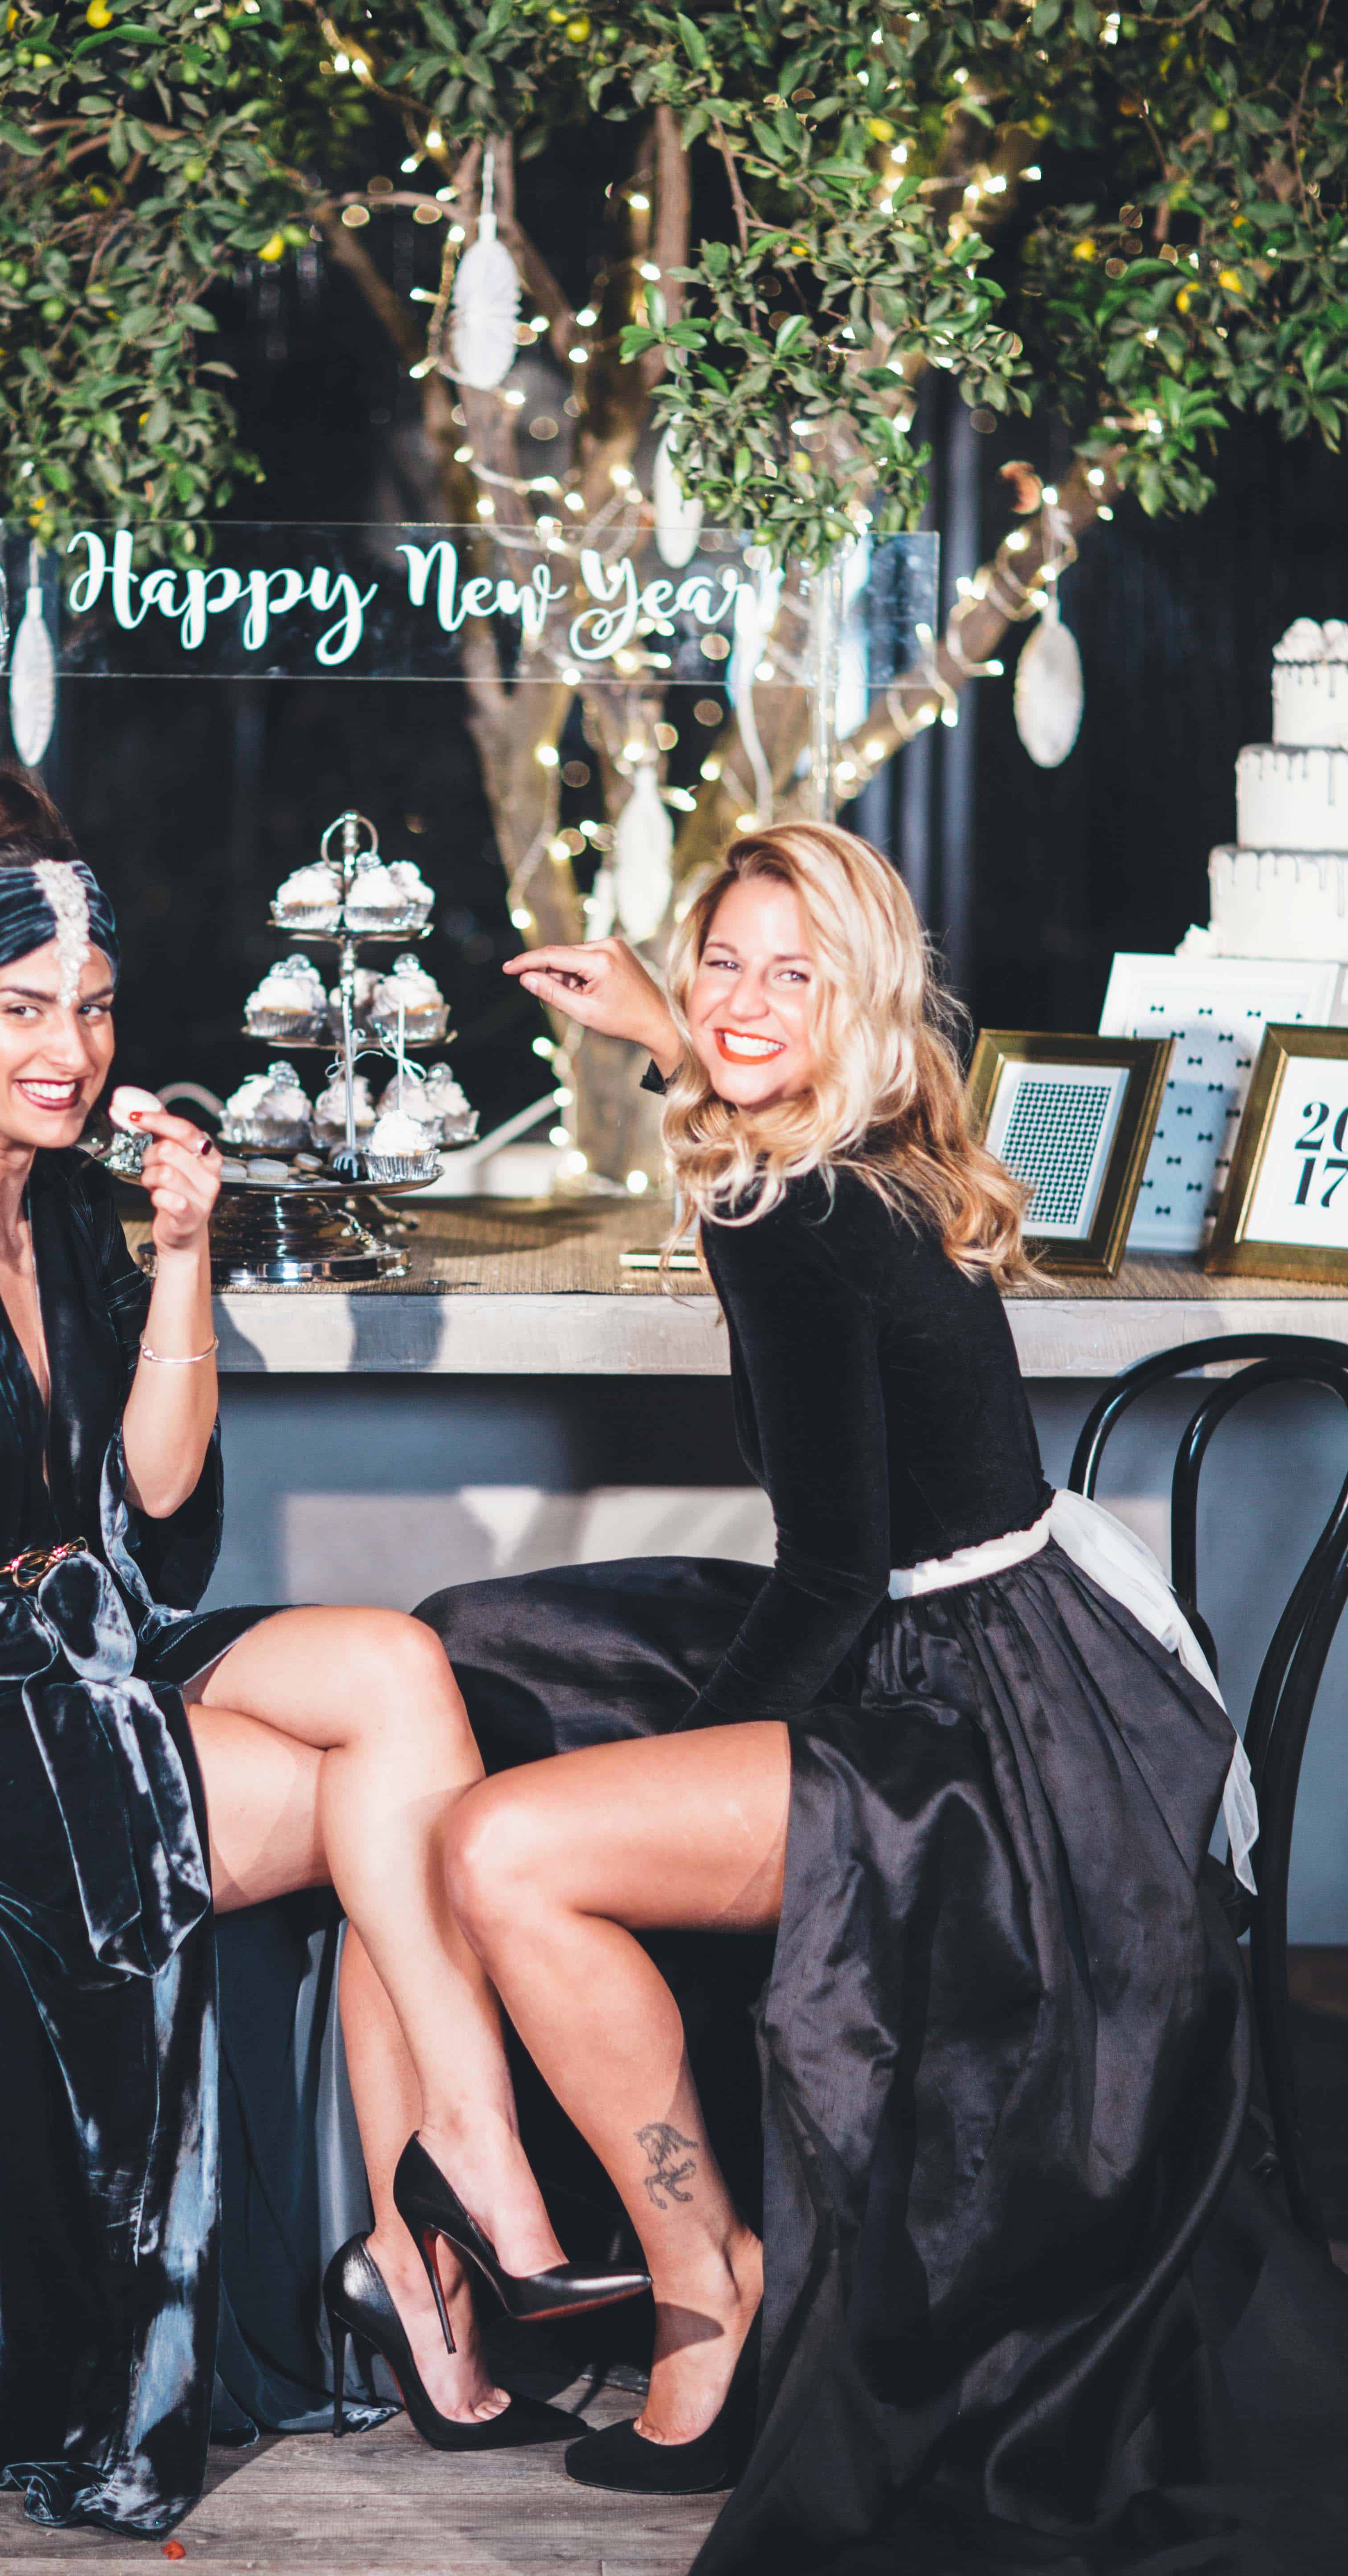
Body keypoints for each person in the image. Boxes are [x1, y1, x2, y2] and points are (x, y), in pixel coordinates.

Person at [0, 771, 642, 2539]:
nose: (71, 1050)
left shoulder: (70, 1218)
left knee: (400, 1677)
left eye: (94, 1010)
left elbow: (159, 1514)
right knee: (392, 1815)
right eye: (25, 1010)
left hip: (85, 1648)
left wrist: (182, 1254)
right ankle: (436, 2242)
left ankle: (457, 2193)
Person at [420, 822, 1348, 2568]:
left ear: (859, 1001)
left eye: (796, 975)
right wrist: (671, 1030)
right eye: (724, 963)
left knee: (497, 1845)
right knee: (488, 1650)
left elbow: (837, 1575)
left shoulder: (794, 1213)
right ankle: (515, 2230)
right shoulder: (870, 1151)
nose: (747, 1002)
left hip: (974, 1735)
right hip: (1037, 1672)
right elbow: (856, 1549)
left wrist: (680, 1757)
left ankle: (705, 2284)